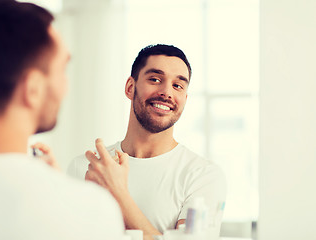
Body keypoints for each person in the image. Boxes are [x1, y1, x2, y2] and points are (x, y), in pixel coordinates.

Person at [0, 1, 124, 239]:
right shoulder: (90, 211)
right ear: (33, 89)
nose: (65, 86)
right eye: (62, 70)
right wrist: (63, 193)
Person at [68, 44, 227, 239]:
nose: (166, 92)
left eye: (177, 85)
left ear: (185, 98)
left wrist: (118, 194)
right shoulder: (87, 167)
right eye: (155, 79)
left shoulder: (203, 177)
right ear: (130, 87)